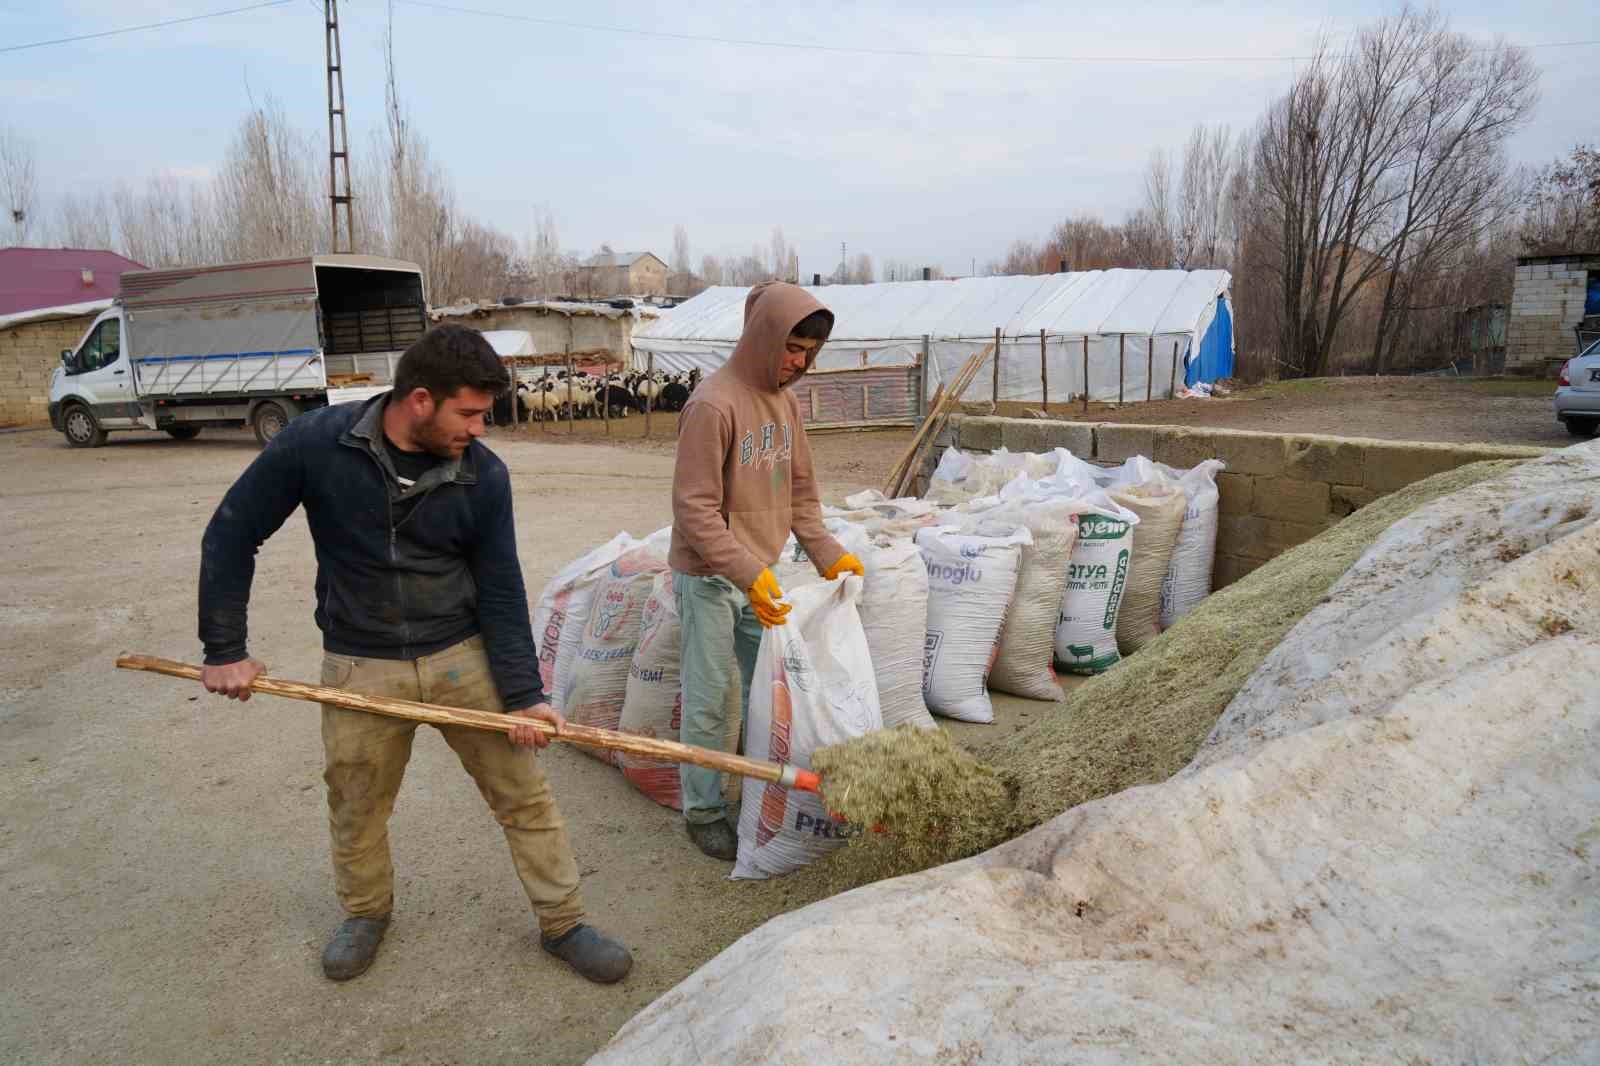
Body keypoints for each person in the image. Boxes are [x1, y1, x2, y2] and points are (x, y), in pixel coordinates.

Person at [197, 324, 631, 984]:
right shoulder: (317, 444)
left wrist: (523, 695)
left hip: (463, 657)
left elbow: (501, 584)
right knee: (356, 803)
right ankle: (366, 914)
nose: (480, 428)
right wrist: (224, 647)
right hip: (360, 666)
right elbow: (232, 532)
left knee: (525, 798)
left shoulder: (483, 476)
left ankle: (564, 922)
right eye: (470, 412)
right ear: (420, 400)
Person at [668, 282, 864, 859]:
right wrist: (743, 571)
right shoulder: (713, 404)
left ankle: (765, 790)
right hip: (710, 577)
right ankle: (702, 808)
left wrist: (829, 552)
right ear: (761, 338)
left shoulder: (786, 402)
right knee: (709, 697)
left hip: (764, 579)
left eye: (809, 352)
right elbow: (694, 509)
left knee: (772, 696)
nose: (799, 362)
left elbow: (800, 491)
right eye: (792, 347)